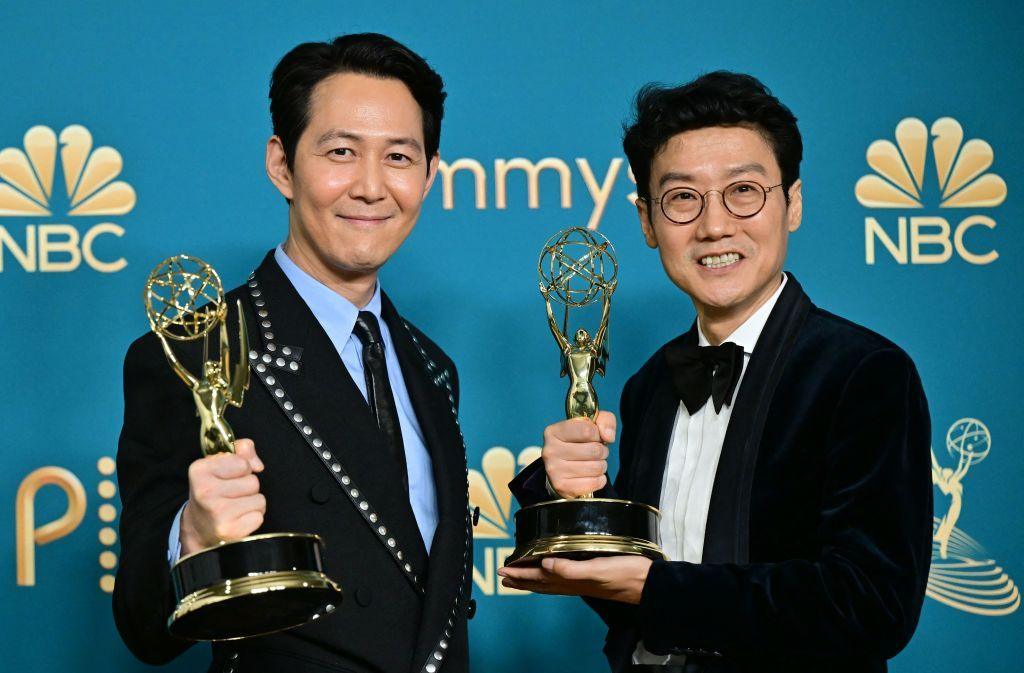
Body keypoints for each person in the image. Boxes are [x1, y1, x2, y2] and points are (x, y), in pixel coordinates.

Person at [500, 72, 932, 673]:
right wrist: (563, 495)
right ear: (648, 222)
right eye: (682, 198)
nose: (714, 226)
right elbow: (635, 597)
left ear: (793, 204)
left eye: (744, 191)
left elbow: (873, 603)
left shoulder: (864, 373)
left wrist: (657, 590)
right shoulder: (649, 385)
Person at [114, 33, 472, 673]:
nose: (370, 186)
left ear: (429, 174)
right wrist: (190, 538)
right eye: (340, 152)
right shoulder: (191, 352)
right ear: (282, 164)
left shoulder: (432, 366)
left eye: (398, 157)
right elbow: (141, 623)